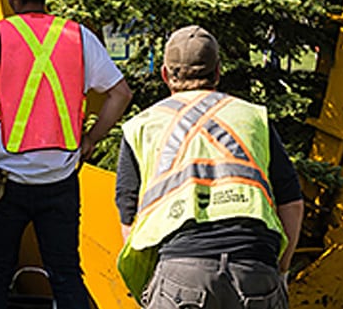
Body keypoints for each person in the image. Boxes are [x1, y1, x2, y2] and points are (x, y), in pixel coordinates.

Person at [0, 0, 132, 308]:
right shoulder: (78, 37)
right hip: (60, 181)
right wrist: (90, 140)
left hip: (5, 182)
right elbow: (120, 93)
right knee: (65, 274)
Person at [115, 25, 304, 308]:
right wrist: (282, 268)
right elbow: (292, 203)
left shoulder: (141, 126)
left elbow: (129, 217)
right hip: (255, 268)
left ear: (165, 74)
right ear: (217, 72)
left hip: (181, 272)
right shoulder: (254, 118)